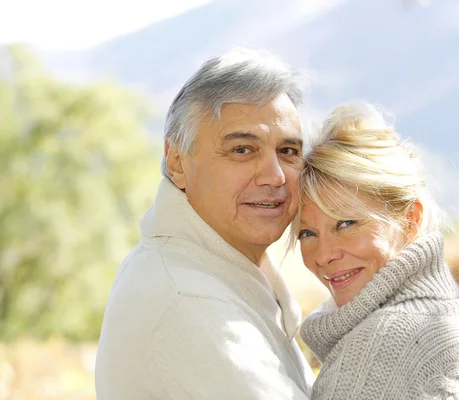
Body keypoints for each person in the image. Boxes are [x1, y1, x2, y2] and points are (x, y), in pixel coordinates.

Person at [95, 49, 314, 399]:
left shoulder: (200, 266)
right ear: (178, 163)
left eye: (288, 151)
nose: (275, 176)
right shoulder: (190, 300)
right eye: (243, 149)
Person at [290, 101, 459, 399]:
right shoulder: (450, 318)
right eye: (307, 233)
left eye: (346, 223)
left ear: (411, 218)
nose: (322, 254)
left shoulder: (378, 345)